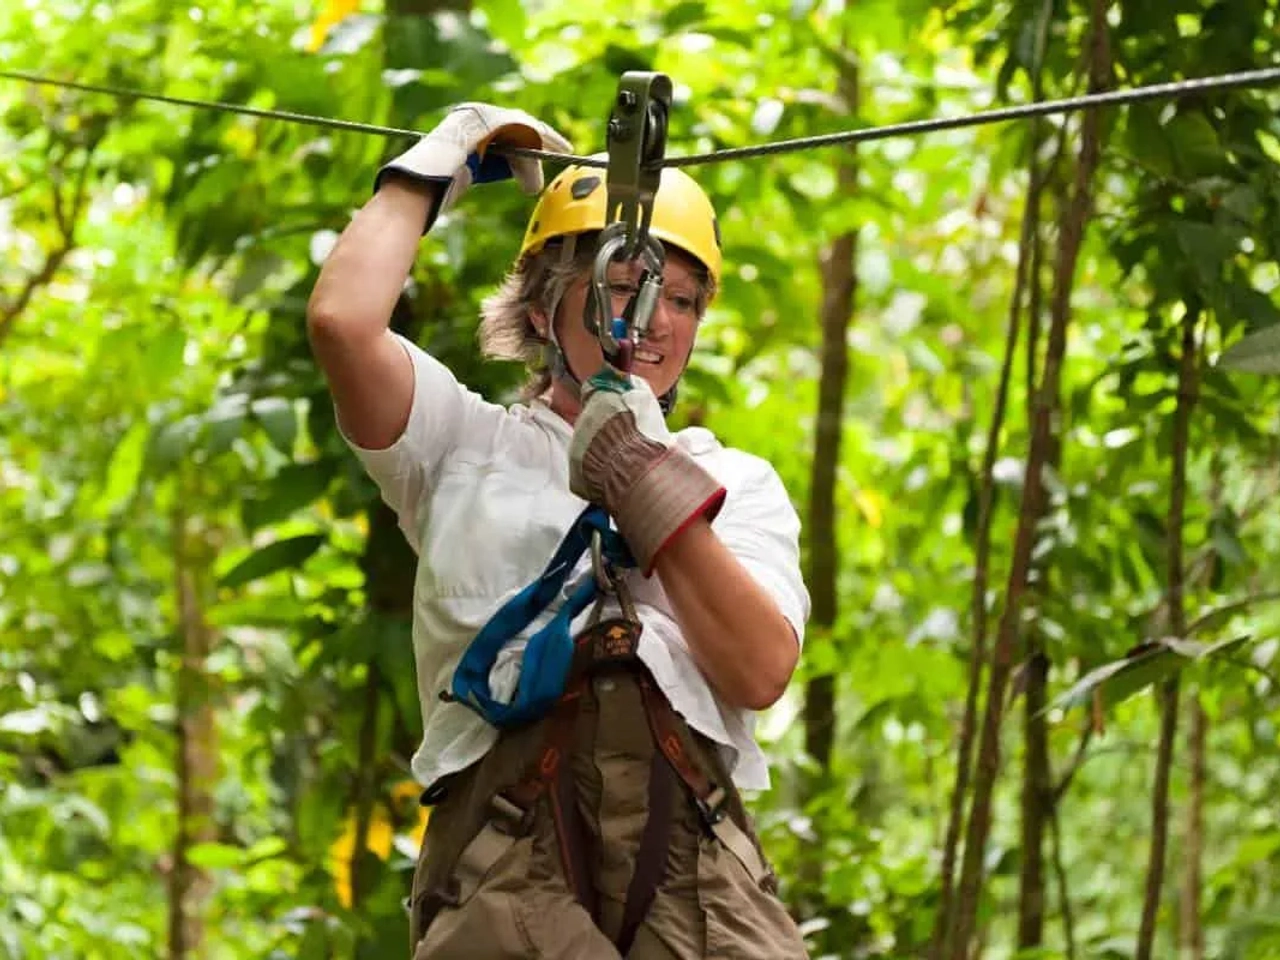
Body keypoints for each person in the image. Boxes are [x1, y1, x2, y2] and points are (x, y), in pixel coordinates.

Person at [306, 102, 811, 959]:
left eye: (680, 298)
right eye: (621, 284)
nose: (651, 319)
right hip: (505, 862)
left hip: (693, 865)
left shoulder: (734, 483)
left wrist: (642, 478)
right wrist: (447, 155)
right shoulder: (460, 447)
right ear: (542, 312)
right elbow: (343, 325)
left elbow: (761, 667)